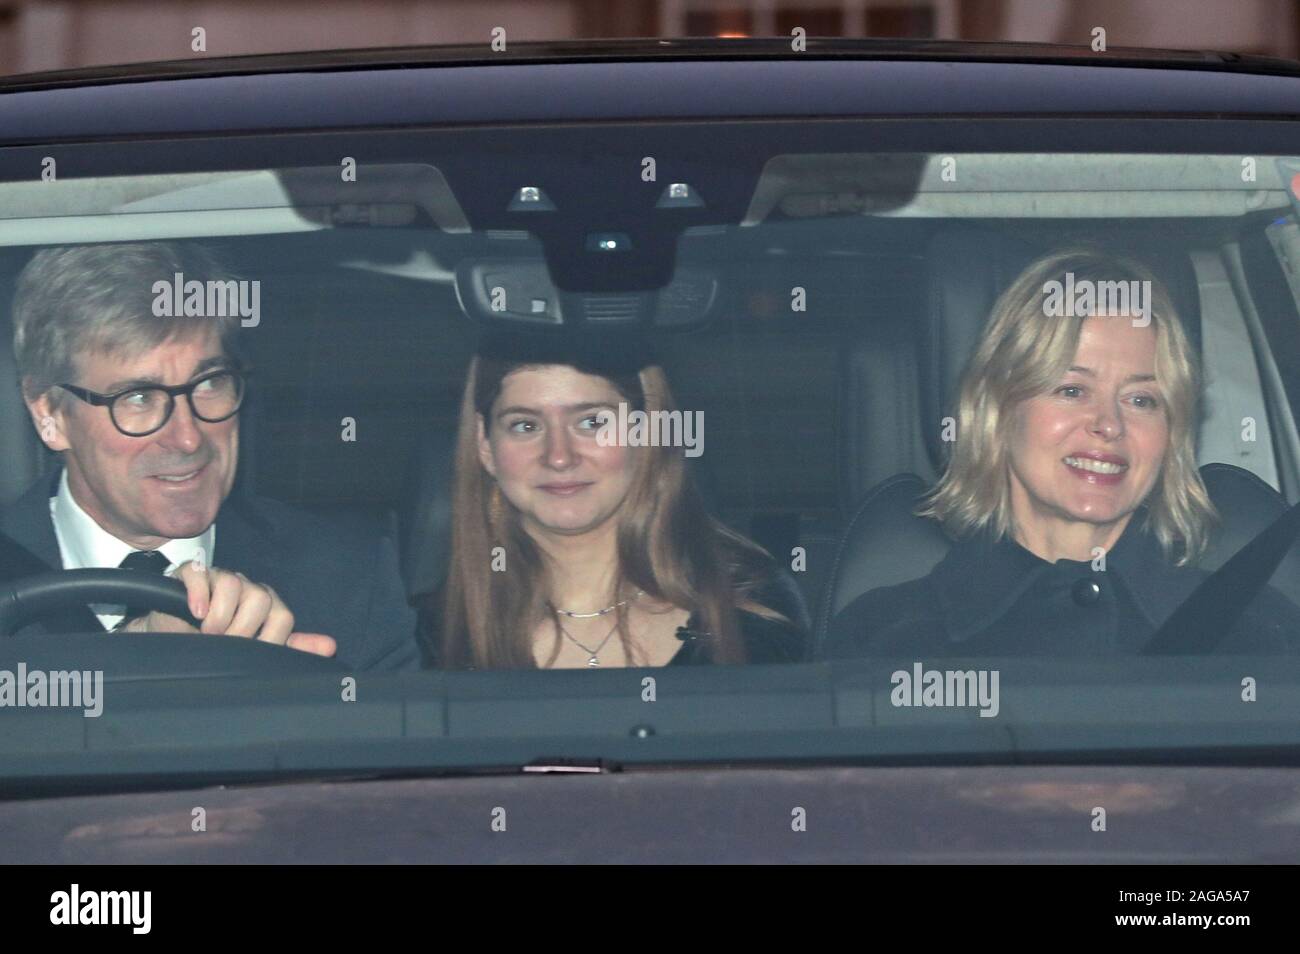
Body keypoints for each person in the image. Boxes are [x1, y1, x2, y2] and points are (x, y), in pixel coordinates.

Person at [825, 247, 1300, 657]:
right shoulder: (882, 641)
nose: (1109, 425)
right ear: (996, 409)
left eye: (1142, 400)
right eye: (1072, 390)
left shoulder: (1262, 635)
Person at [1, 242, 418, 669]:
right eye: (139, 397)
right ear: (49, 413)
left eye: (209, 383)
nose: (188, 439)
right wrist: (139, 651)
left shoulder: (345, 579)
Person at [421, 334, 808, 669]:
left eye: (592, 422)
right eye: (525, 425)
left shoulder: (746, 608)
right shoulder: (437, 635)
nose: (559, 456)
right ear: (485, 446)